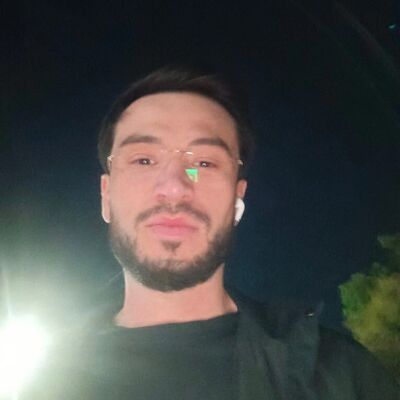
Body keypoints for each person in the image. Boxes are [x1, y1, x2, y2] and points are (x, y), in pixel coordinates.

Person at [26, 67, 399, 400]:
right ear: (106, 196)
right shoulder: (42, 386)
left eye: (203, 163)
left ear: (237, 199)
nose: (174, 187)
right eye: (144, 160)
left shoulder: (341, 377)